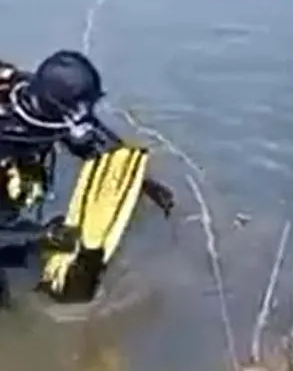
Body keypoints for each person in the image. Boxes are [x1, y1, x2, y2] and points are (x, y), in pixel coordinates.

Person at [0, 51, 174, 305]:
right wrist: (39, 237)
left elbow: (94, 140)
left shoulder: (42, 103)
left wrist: (138, 180)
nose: (82, 121)